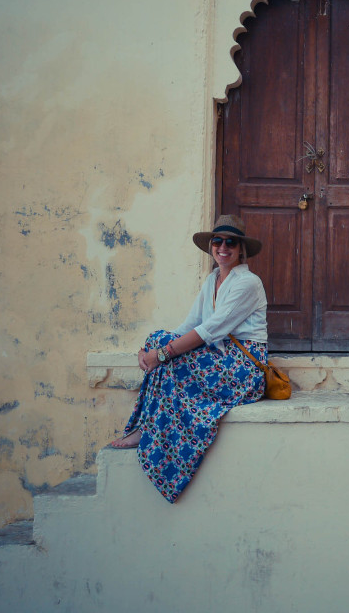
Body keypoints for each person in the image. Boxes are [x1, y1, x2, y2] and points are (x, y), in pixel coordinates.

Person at [109, 214, 268, 503]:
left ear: (241, 248)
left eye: (230, 242)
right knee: (159, 337)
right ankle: (147, 425)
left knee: (169, 356)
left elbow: (209, 330)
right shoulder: (213, 280)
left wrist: (162, 355)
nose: (223, 247)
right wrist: (150, 350)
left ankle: (149, 431)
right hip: (217, 360)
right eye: (217, 241)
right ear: (210, 246)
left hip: (243, 369)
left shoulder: (248, 283)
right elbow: (188, 325)